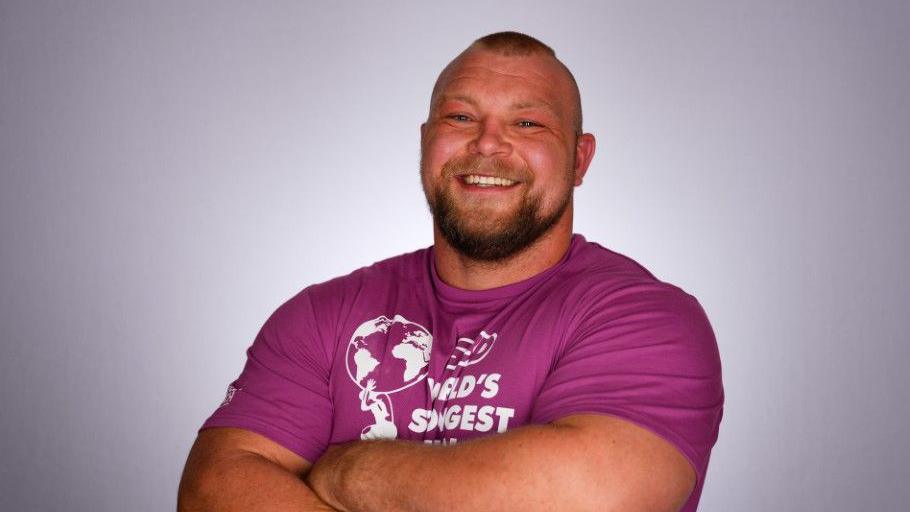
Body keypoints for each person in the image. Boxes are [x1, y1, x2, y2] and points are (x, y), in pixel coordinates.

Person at [178, 31, 723, 512]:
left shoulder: (646, 319)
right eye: (460, 117)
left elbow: (586, 496)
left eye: (528, 122)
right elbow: (213, 488)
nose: (487, 143)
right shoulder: (322, 315)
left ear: (579, 160)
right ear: (425, 142)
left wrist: (347, 471)